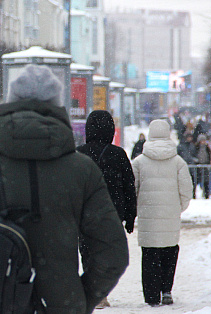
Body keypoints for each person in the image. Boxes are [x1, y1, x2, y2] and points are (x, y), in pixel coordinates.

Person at [0, 64, 129, 313]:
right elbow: (113, 253)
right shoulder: (82, 170)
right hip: (60, 305)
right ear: (57, 107)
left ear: (10, 103)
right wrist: (79, 297)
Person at [76, 109, 137, 309]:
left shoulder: (79, 154)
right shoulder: (118, 154)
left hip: (85, 212)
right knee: (107, 253)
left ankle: (94, 293)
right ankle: (101, 292)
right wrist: (130, 216)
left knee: (87, 251)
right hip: (112, 212)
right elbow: (129, 187)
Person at [131, 119, 193, 307]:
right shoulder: (178, 162)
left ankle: (151, 295)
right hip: (170, 216)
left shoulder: (139, 162)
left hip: (148, 218)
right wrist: (177, 208)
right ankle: (166, 290)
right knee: (169, 252)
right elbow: (186, 191)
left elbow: (132, 190)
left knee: (149, 255)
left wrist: (138, 208)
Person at [177, 132, 197, 197]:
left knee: (192, 181)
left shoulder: (192, 145)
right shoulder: (181, 146)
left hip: (192, 166)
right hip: (183, 166)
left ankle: (193, 194)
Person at [195, 134, 211, 198]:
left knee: (206, 181)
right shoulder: (196, 147)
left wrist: (208, 163)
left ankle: (206, 194)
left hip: (205, 165)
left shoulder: (207, 148)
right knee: (196, 181)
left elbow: (209, 156)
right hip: (198, 166)